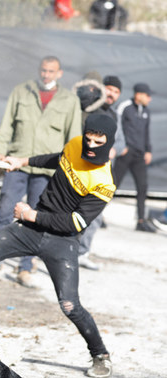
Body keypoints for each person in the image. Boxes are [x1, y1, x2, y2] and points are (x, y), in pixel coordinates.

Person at [0, 112, 117, 378]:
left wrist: (29, 214)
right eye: (88, 140)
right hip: (31, 230)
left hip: (62, 242)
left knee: (70, 305)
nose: (90, 146)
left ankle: (100, 355)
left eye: (97, 142)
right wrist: (21, 161)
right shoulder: (75, 144)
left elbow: (75, 223)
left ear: (109, 141)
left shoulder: (104, 182)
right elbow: (56, 159)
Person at [0, 56, 82, 287]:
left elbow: (73, 138)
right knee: (5, 211)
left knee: (35, 217)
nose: (46, 75)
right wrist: (0, 151)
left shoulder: (70, 100)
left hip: (46, 169)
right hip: (17, 162)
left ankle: (25, 267)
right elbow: (7, 124)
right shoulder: (22, 91)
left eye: (51, 71)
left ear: (59, 73)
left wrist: (69, 171)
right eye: (43, 70)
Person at [77, 75, 123, 270]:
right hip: (80, 169)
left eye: (116, 91)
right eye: (109, 89)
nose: (111, 94)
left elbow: (121, 141)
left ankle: (82, 253)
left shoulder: (115, 116)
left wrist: (114, 149)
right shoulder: (86, 110)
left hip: (102, 173)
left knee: (95, 214)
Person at [113, 83, 155, 232]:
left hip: (139, 155)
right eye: (147, 95)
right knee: (112, 185)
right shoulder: (124, 106)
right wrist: (120, 146)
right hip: (125, 152)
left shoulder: (147, 112)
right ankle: (97, 215)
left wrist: (148, 150)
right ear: (138, 94)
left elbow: (146, 132)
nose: (149, 99)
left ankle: (141, 221)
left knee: (142, 187)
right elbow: (116, 126)